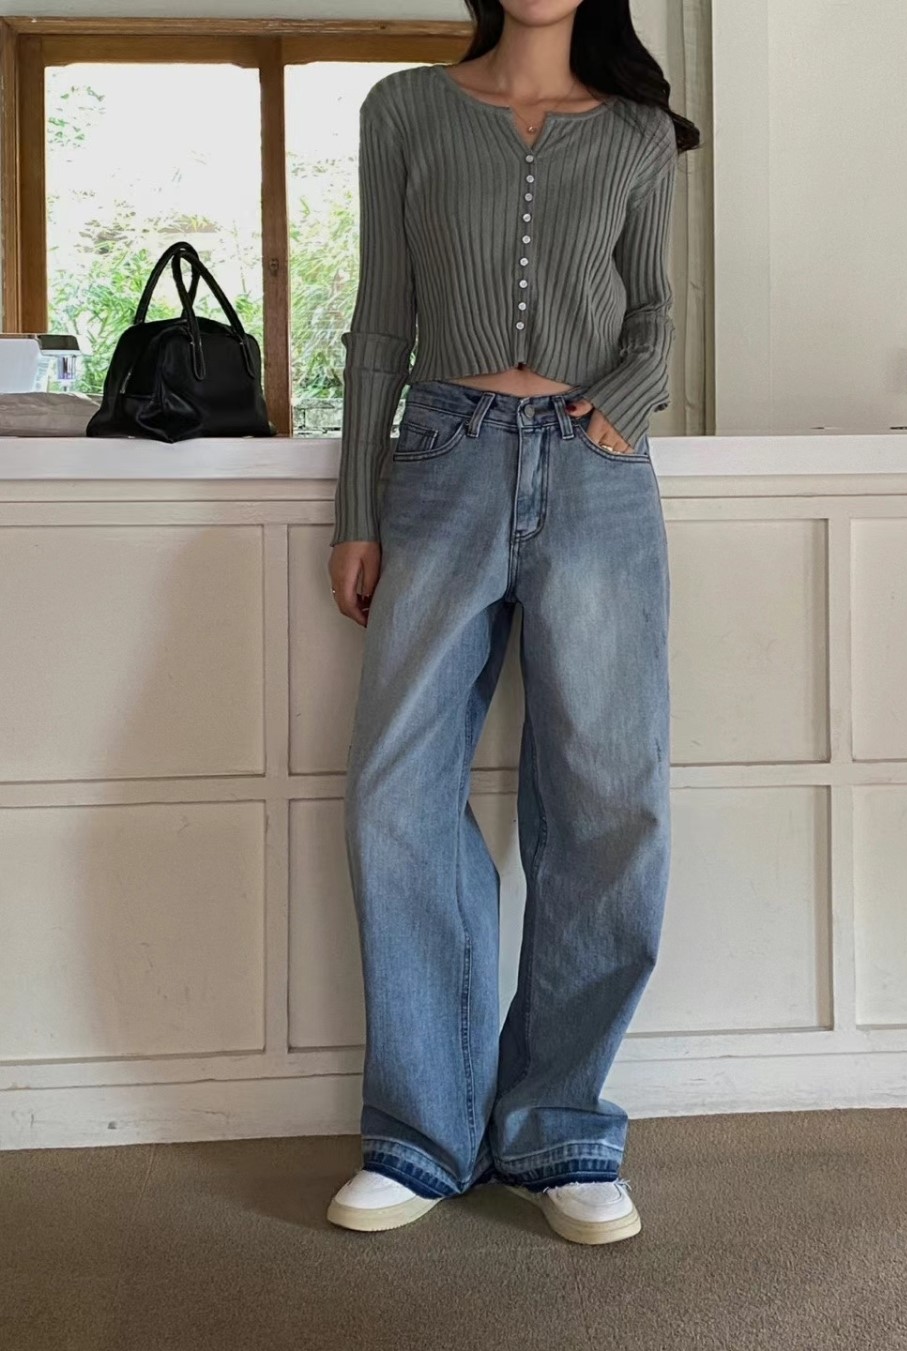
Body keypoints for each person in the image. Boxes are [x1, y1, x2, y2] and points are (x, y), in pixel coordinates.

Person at [326, 0, 699, 1246]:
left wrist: (621, 403)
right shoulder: (405, 110)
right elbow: (383, 317)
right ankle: (422, 1133)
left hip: (599, 471)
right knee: (395, 791)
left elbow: (657, 311)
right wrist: (357, 507)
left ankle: (561, 1126)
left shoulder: (639, 132)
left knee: (609, 799)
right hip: (443, 456)